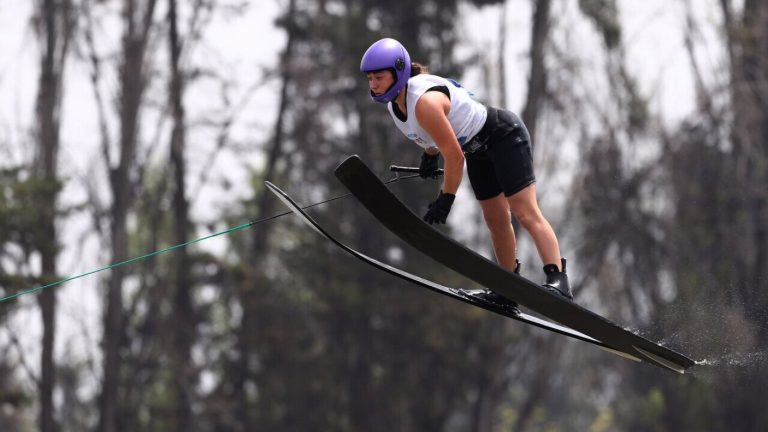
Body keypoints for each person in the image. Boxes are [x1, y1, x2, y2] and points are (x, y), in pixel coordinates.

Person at [360, 37, 572, 307]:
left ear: (398, 72)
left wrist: (445, 199)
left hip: (503, 136)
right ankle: (508, 289)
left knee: (524, 211)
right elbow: (432, 135)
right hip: (476, 151)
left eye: (379, 77)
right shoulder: (396, 106)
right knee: (495, 219)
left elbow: (455, 157)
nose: (373, 85)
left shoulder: (423, 102)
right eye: (370, 78)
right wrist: (429, 155)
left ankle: (558, 279)